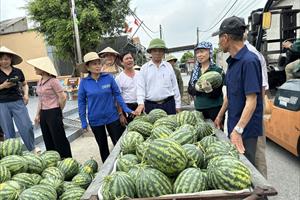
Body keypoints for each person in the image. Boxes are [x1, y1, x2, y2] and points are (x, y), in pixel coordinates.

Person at [213, 16, 263, 166]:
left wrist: (238, 130)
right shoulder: (232, 62)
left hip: (245, 130)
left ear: (226, 38)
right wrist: (220, 115)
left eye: (220, 38)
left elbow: (252, 100)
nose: (219, 42)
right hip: (234, 124)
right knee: (236, 166)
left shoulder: (250, 61)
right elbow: (230, 94)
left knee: (246, 169)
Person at [78, 52, 133, 163]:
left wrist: (125, 109)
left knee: (118, 143)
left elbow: (117, 94)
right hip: (95, 120)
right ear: (88, 67)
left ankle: (121, 165)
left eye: (99, 63)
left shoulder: (108, 78)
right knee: (103, 147)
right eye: (94, 64)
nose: (98, 66)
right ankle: (107, 170)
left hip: (112, 117)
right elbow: (81, 103)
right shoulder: (84, 83)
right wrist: (83, 121)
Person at [27, 57, 72, 158]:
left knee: (59, 138)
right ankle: (53, 159)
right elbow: (40, 99)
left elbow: (63, 97)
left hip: (53, 112)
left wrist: (58, 110)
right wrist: (37, 114)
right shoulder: (40, 81)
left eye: (36, 67)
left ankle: (66, 159)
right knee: (48, 138)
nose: (34, 69)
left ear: (42, 69)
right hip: (44, 113)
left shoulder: (53, 81)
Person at [0, 46, 35, 152]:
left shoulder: (18, 71)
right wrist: (3, 86)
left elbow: (25, 84)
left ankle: (32, 149)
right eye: (1, 59)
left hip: (18, 101)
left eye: (6, 59)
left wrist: (26, 95)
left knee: (27, 126)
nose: (3, 61)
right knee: (8, 130)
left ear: (11, 60)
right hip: (2, 104)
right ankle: (13, 153)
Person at [243, 31, 269, 178]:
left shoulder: (251, 56)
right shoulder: (243, 54)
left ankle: (263, 190)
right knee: (249, 152)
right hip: (248, 111)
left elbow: (261, 89)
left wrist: (256, 113)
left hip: (253, 112)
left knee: (257, 150)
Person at [135, 38, 181, 115]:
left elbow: (175, 87)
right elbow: (140, 88)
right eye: (155, 50)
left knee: (171, 126)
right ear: (150, 52)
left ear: (163, 52)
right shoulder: (144, 68)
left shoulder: (168, 66)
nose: (157, 53)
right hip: (151, 106)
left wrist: (178, 105)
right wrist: (140, 104)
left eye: (160, 50)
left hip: (169, 104)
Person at [187, 41, 224, 122]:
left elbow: (217, 94)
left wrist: (209, 90)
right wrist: (198, 89)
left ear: (210, 52)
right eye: (197, 53)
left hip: (215, 109)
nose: (199, 55)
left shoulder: (217, 70)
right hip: (199, 109)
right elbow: (190, 90)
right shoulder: (195, 71)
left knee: (216, 133)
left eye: (202, 51)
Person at [115, 52, 139, 125]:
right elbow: (117, 97)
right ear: (122, 62)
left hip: (141, 106)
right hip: (127, 107)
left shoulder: (140, 74)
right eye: (126, 59)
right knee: (130, 129)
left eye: (131, 58)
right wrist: (121, 114)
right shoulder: (119, 78)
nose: (129, 60)